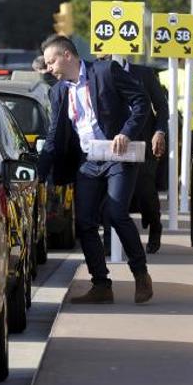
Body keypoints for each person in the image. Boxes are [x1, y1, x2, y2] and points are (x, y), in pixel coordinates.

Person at [38, 35, 153, 304]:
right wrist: (40, 174)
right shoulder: (58, 92)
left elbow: (141, 102)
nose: (49, 68)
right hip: (89, 161)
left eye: (51, 61)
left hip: (118, 155)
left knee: (116, 212)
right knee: (86, 223)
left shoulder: (105, 71)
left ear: (68, 56)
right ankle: (101, 285)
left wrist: (126, 133)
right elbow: (54, 136)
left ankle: (140, 273)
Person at [103, 55, 169, 254]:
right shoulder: (99, 73)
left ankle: (155, 227)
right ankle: (110, 242)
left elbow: (161, 106)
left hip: (142, 143)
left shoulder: (144, 74)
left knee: (145, 192)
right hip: (112, 144)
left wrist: (159, 131)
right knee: (111, 196)